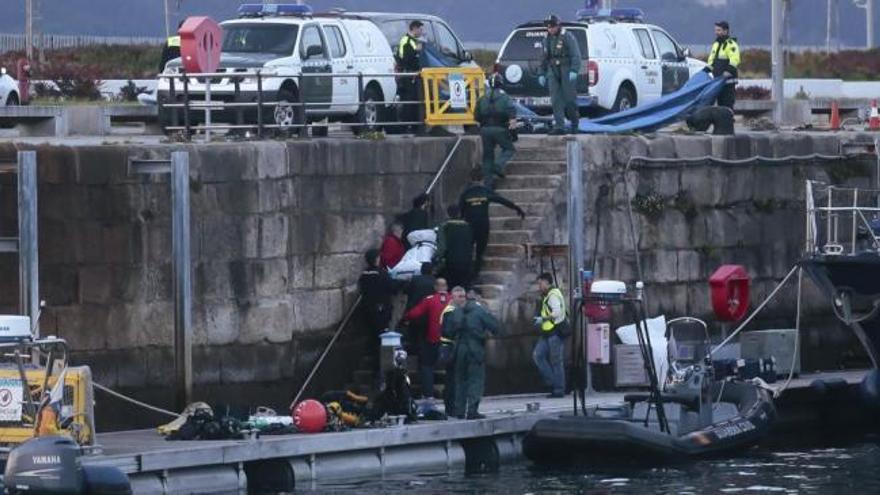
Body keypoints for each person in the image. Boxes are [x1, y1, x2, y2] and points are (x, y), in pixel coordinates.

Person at [442, 286, 500, 419]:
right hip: (475, 349)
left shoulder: (454, 311)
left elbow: (447, 332)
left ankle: (459, 411)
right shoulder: (479, 310)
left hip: (459, 350)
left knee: (460, 380)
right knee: (476, 380)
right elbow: (495, 326)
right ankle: (472, 411)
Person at [459, 169, 526, 277]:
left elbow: (460, 211)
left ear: (470, 179)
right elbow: (502, 200)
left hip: (469, 226)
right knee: (480, 252)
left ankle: (467, 275)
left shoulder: (466, 193)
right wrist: (517, 208)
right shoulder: (486, 191)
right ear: (483, 179)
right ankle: (475, 274)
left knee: (468, 251)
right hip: (483, 225)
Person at [401, 277, 450, 399]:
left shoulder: (430, 300)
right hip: (451, 340)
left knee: (426, 365)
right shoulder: (452, 299)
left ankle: (428, 393)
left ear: (435, 288)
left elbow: (414, 313)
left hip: (434, 339)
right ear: (446, 287)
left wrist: (405, 318)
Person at [538, 14, 582, 135]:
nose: (550, 29)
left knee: (569, 99)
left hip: (566, 69)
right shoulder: (546, 39)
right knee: (555, 99)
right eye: (548, 27)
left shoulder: (567, 37)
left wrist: (574, 70)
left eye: (552, 26)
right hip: (552, 70)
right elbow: (543, 58)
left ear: (558, 25)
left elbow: (575, 54)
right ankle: (559, 126)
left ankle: (574, 124)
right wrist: (541, 73)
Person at [474, 73, 518, 187]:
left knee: (487, 156)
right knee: (509, 149)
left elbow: (476, 117)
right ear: (501, 84)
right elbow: (512, 115)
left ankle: (488, 184)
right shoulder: (505, 98)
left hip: (485, 130)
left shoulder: (482, 98)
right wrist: (513, 132)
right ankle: (497, 166)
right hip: (500, 129)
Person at [357, 249, 395, 373]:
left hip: (367, 309)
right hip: (381, 309)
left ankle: (374, 368)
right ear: (376, 259)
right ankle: (381, 370)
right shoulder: (382, 273)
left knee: (372, 337)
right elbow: (391, 287)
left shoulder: (364, 275)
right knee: (382, 337)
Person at [532, 273, 568, 398]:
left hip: (555, 332)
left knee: (556, 361)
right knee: (538, 355)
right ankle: (553, 382)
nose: (539, 286)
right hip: (547, 332)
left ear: (547, 282)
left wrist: (543, 319)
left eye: (540, 283)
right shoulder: (548, 295)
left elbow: (557, 312)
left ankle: (558, 389)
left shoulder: (553, 295)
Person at [435, 205, 475, 289]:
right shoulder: (468, 226)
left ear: (447, 214)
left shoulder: (444, 227)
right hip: (467, 262)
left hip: (451, 262)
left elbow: (442, 247)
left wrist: (437, 259)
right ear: (460, 214)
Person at [705, 20, 740, 110]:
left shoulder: (731, 44)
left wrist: (727, 72)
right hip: (718, 81)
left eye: (719, 30)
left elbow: (735, 60)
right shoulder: (716, 44)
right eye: (716, 30)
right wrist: (705, 71)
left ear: (725, 31)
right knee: (720, 106)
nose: (716, 32)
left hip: (728, 81)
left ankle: (729, 122)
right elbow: (711, 61)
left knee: (727, 105)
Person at [397, 20, 425, 134]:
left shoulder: (414, 41)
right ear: (414, 28)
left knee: (414, 101)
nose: (422, 32)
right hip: (408, 75)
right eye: (420, 29)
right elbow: (405, 58)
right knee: (408, 101)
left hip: (414, 75)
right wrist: (416, 52)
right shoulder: (406, 40)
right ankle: (406, 126)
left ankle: (414, 125)